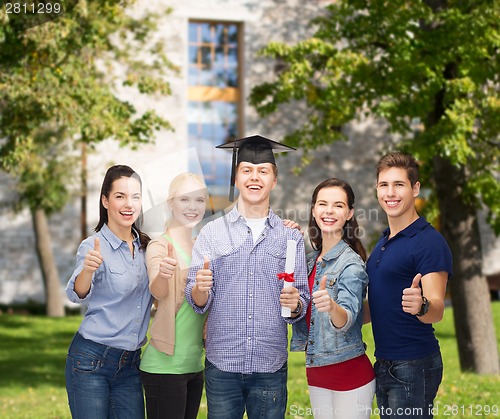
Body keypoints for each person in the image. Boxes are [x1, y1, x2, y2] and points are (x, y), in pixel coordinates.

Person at [185, 135, 310, 419]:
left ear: (274, 180)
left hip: (270, 364)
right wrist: (200, 289)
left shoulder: (290, 237)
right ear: (236, 178)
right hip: (222, 364)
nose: (255, 177)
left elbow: (299, 301)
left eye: (263, 171)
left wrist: (296, 304)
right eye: (247, 170)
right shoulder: (212, 233)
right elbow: (197, 298)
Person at [366, 152, 452, 419]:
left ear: (415, 188)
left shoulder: (428, 241)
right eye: (384, 185)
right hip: (385, 362)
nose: (390, 193)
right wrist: (338, 315)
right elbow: (380, 305)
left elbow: (437, 309)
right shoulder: (383, 241)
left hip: (414, 364)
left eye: (399, 184)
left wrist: (422, 305)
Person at [65, 164, 153, 419]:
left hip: (130, 365)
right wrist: (87, 271)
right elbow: (77, 294)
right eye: (120, 196)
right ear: (105, 200)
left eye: (135, 196)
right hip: (90, 360)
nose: (129, 204)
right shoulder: (93, 246)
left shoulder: (146, 246)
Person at [291, 178, 375, 419]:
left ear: (349, 213)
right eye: (322, 204)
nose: (329, 211)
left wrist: (331, 306)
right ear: (314, 210)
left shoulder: (351, 264)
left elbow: (347, 318)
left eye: (338, 205)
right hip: (316, 372)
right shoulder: (308, 261)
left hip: (349, 374)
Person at [139, 172, 208, 419]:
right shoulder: (160, 246)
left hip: (194, 365)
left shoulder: (203, 246)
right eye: (184, 199)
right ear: (170, 203)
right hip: (163, 367)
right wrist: (163, 275)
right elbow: (157, 291)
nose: (193, 207)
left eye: (199, 200)